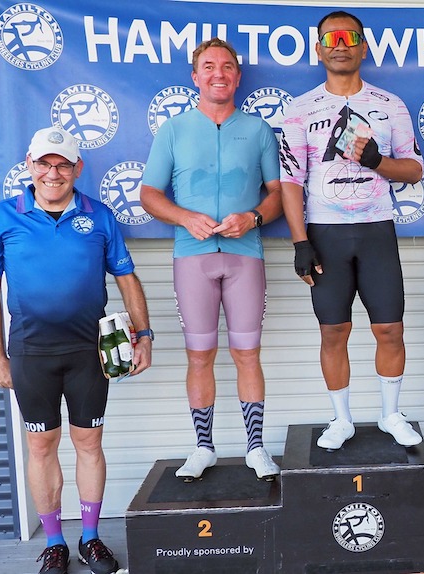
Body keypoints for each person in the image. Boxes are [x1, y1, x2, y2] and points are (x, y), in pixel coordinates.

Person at [0, 127, 153, 574]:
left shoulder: (100, 215)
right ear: (29, 164)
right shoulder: (3, 217)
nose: (52, 173)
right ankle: (54, 542)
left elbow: (126, 277)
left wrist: (145, 334)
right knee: (41, 446)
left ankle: (90, 538)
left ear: (77, 168)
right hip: (30, 353)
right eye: (44, 163)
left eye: (62, 165)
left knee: (89, 443)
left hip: (88, 352)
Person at [279, 11, 424, 450]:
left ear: (364, 47)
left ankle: (390, 414)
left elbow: (415, 170)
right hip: (326, 234)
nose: (340, 45)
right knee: (333, 331)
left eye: (349, 37)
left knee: (390, 329)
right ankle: (341, 419)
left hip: (376, 230)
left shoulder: (390, 104)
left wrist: (377, 161)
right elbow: (290, 181)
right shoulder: (299, 108)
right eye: (331, 38)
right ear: (318, 49)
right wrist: (300, 242)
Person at [140, 38, 282, 481]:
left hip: (244, 256)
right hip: (193, 258)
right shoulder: (174, 130)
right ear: (195, 77)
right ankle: (203, 447)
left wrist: (253, 217)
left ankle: (255, 448)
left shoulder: (258, 130)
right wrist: (184, 217)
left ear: (238, 77)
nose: (218, 73)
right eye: (209, 66)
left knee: (247, 353)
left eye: (227, 66)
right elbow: (149, 194)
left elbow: (278, 195)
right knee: (199, 355)